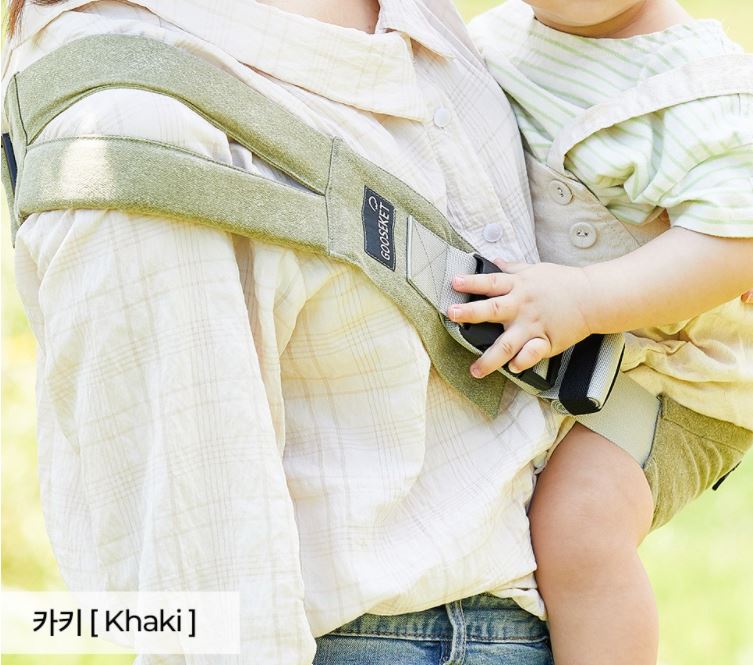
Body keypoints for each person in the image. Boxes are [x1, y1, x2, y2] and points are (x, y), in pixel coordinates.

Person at [2, 0, 561, 663]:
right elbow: (210, 609)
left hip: (544, 606)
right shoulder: (130, 119)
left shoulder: (408, 12)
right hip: (363, 642)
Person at [455, 1, 753, 664]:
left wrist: (582, 299)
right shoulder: (497, 35)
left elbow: (738, 249)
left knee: (578, 526)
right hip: (576, 351)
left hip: (675, 383)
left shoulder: (688, 83)